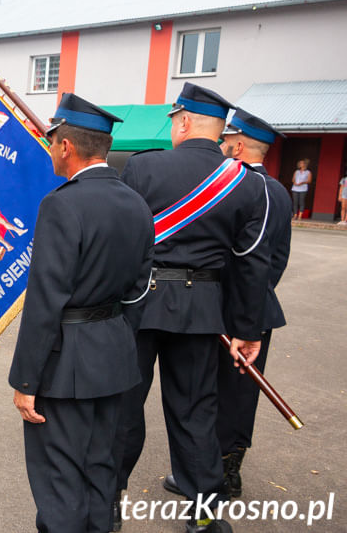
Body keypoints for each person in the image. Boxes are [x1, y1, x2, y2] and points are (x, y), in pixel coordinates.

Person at [114, 83, 269, 533]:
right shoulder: (244, 181)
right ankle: (204, 517)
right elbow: (251, 265)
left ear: (182, 122)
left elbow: (122, 240)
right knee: (197, 414)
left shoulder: (143, 167)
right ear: (220, 132)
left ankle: (107, 504)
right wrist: (247, 329)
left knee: (123, 408)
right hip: (203, 312)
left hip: (141, 305)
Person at [9, 94, 153, 533]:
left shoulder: (61, 204)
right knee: (101, 465)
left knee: (60, 477)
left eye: (53, 143)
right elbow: (138, 290)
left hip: (65, 364)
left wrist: (26, 381)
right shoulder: (137, 203)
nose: (51, 151)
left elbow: (45, 300)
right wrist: (111, 338)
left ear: (66, 146)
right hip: (114, 356)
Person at [160, 109, 293, 501]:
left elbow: (243, 258)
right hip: (254, 309)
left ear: (235, 145)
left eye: (224, 141)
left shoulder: (241, 185)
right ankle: (227, 474)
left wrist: (237, 312)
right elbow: (277, 259)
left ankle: (211, 480)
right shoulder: (279, 190)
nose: (220, 147)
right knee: (239, 396)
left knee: (205, 395)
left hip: (226, 309)